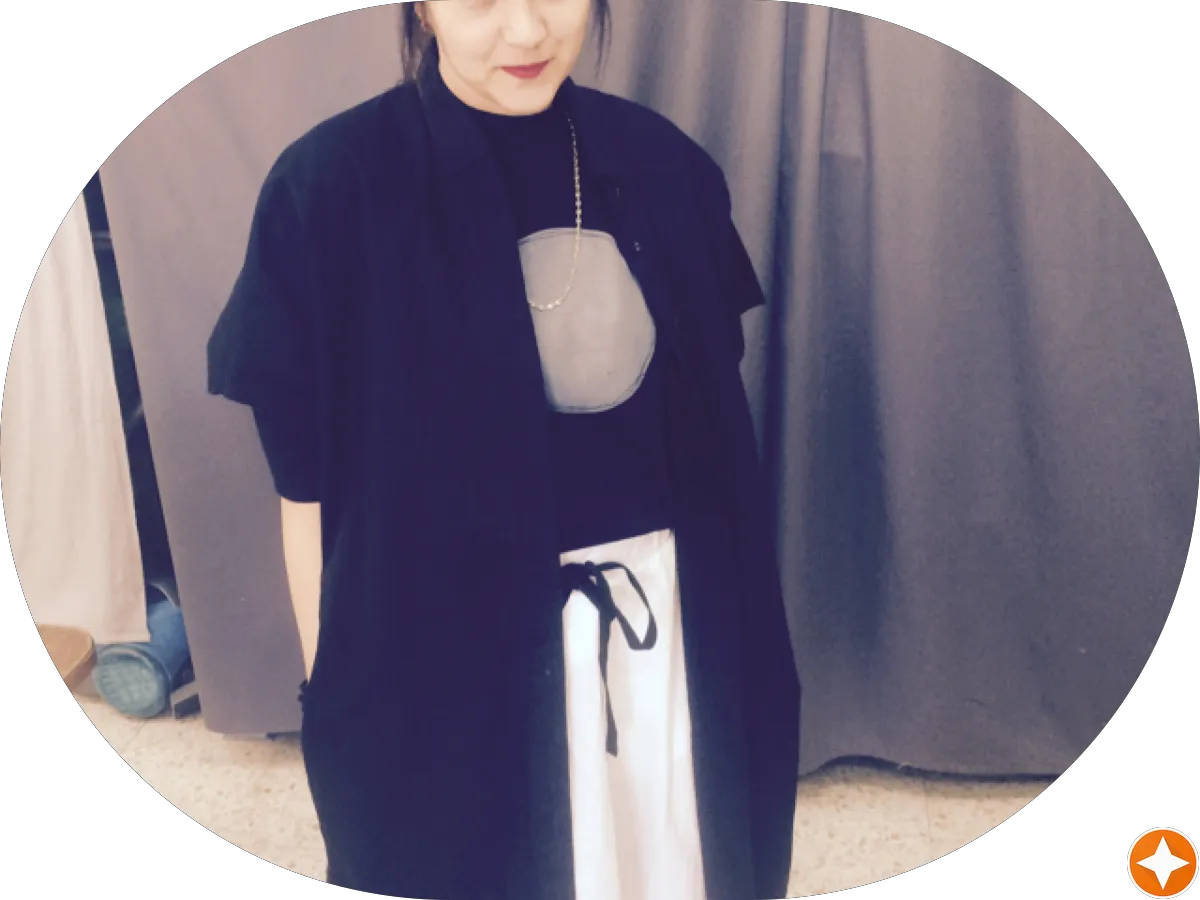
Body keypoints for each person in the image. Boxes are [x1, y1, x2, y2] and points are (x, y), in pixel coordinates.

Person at [206, 1, 801, 898]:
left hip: (667, 642)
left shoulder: (664, 164)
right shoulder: (330, 188)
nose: (525, 32)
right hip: (442, 654)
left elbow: (714, 448)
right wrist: (338, 696)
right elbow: (307, 488)